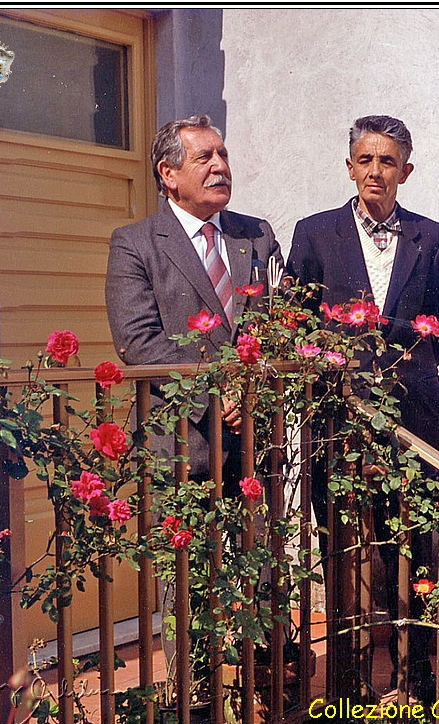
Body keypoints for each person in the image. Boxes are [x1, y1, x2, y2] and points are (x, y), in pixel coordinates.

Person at [286, 115, 439, 701]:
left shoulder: (430, 237)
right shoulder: (314, 232)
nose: (375, 171)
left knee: (416, 547)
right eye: (365, 159)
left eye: (388, 161)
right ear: (350, 166)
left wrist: (377, 333)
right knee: (346, 550)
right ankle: (349, 689)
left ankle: (419, 682)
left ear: (406, 171)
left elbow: (437, 331)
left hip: (412, 420)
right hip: (337, 421)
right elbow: (293, 322)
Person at [105, 114, 283, 483]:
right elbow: (138, 342)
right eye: (205, 158)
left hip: (254, 442)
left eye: (223, 155)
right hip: (181, 443)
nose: (220, 166)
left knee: (260, 542)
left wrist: (251, 395)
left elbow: (280, 319)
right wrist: (214, 397)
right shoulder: (136, 243)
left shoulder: (256, 235)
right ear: (168, 174)